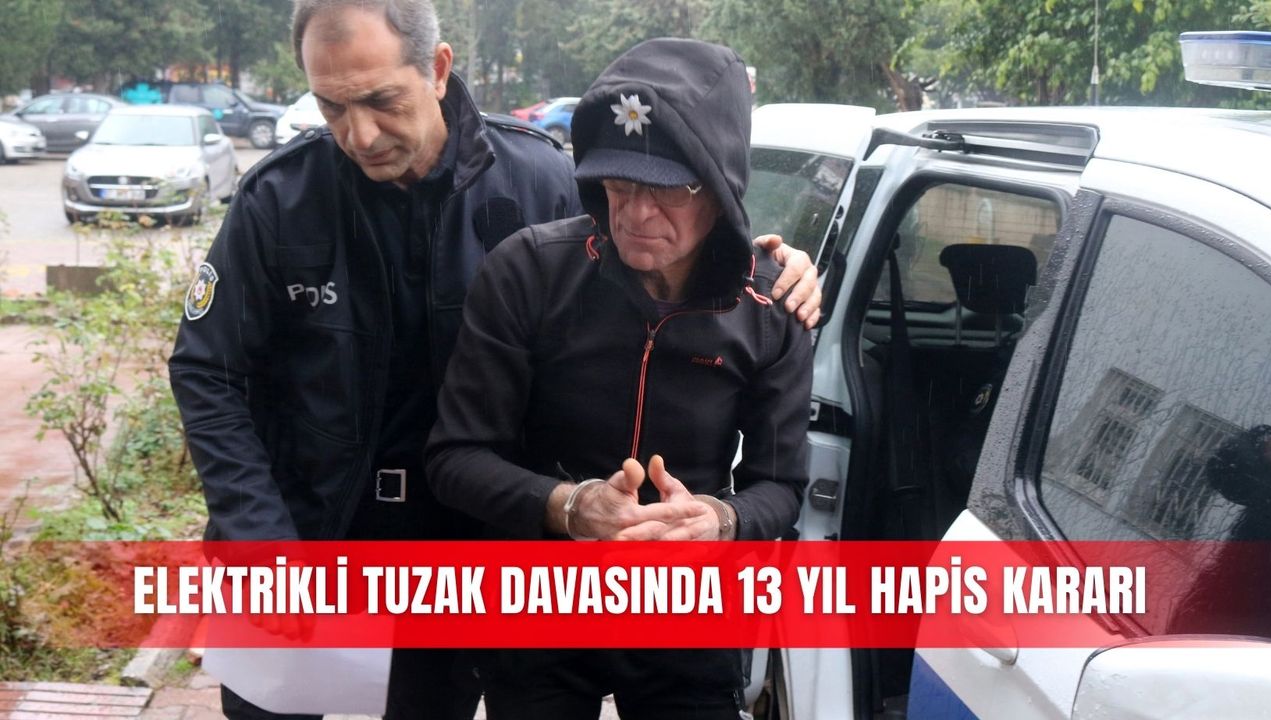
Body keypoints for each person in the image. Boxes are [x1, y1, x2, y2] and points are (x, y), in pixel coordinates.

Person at [168, 1, 822, 718]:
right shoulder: (278, 199)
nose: (358, 134)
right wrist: (258, 540)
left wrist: (762, 264)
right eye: (332, 106)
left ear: (437, 69)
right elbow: (208, 372)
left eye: (382, 101)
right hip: (303, 525)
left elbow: (652, 230)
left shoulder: (535, 179)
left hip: (454, 541)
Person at [424, 38, 813, 719]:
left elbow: (780, 485)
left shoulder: (769, 306)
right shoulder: (529, 272)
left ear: (721, 187)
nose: (636, 215)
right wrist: (570, 506)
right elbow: (455, 457)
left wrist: (721, 520)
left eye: (668, 191)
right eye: (619, 185)